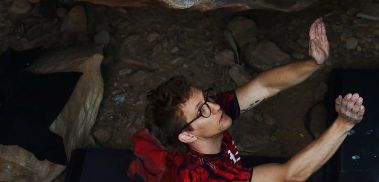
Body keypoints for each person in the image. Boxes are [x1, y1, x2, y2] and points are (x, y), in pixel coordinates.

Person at [127, 18, 365, 182]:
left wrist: (313, 63)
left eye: (206, 98)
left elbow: (263, 86)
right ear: (187, 135)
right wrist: (343, 123)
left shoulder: (210, 119)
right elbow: (290, 176)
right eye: (203, 109)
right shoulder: (206, 175)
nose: (215, 105)